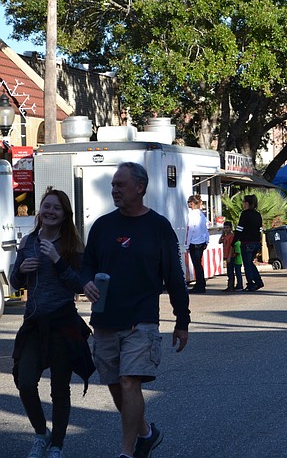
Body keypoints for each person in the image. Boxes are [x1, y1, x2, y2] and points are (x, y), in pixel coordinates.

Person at [81, 162, 190, 458]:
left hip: (141, 321)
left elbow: (174, 276)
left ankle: (126, 453)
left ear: (140, 187)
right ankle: (146, 433)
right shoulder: (103, 226)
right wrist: (86, 281)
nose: (114, 189)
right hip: (105, 320)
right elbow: (86, 263)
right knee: (117, 386)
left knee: (130, 382)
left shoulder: (158, 227)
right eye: (113, 185)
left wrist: (183, 320)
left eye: (120, 184)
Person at [10, 189, 93, 458]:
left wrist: (57, 261)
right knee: (24, 382)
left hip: (62, 322)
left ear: (65, 214)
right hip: (34, 323)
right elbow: (15, 282)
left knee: (59, 388)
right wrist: (21, 271)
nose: (50, 211)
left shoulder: (72, 246)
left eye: (56, 208)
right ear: (40, 211)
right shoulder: (29, 242)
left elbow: (79, 285)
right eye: (46, 206)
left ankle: (56, 444)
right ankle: (40, 433)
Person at [234, 194, 265, 291]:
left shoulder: (245, 214)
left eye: (243, 202)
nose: (242, 204)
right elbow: (260, 229)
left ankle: (250, 284)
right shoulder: (257, 214)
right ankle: (258, 281)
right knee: (250, 263)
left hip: (246, 242)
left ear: (247, 203)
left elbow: (239, 229)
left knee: (247, 264)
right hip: (256, 242)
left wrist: (234, 241)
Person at [186, 195, 209, 294]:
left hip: (194, 243)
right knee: (199, 265)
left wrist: (186, 244)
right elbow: (205, 228)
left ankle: (199, 285)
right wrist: (206, 240)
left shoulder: (191, 215)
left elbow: (189, 229)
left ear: (192, 203)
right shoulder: (201, 214)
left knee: (197, 265)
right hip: (201, 242)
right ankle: (201, 284)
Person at [220, 221, 244, 292]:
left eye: (227, 228)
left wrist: (230, 256)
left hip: (230, 255)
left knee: (231, 271)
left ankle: (231, 286)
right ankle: (230, 286)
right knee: (229, 271)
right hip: (226, 255)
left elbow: (232, 247)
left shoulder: (232, 236)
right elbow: (220, 241)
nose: (225, 229)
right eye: (224, 228)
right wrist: (222, 234)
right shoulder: (225, 236)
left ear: (230, 228)